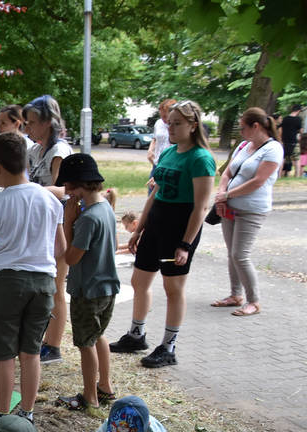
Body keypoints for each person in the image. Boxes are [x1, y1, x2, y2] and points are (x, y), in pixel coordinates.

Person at [0, 133, 66, 432]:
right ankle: (27, 415)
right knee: (31, 352)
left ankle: (1, 418)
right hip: (44, 282)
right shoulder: (50, 198)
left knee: (4, 354)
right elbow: (60, 248)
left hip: (9, 282)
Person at [110, 100, 217, 368]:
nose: (171, 128)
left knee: (173, 288)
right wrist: (140, 229)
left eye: (177, 123)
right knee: (139, 281)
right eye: (169, 123)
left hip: (179, 228)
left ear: (193, 126)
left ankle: (168, 346)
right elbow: (155, 194)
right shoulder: (168, 153)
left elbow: (201, 206)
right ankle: (136, 335)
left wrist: (185, 244)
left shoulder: (201, 158)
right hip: (156, 225)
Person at [53, 154, 119, 411]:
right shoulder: (105, 209)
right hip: (107, 288)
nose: (66, 192)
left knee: (85, 343)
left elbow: (70, 257)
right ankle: (105, 385)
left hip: (87, 290)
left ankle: (90, 396)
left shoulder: (88, 219)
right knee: (98, 335)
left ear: (78, 184)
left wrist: (68, 221)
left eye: (68, 187)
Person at [210, 107, 283, 318]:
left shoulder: (273, 149)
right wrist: (222, 195)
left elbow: (258, 181)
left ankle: (254, 301)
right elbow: (228, 172)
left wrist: (226, 196)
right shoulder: (244, 145)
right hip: (230, 206)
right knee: (231, 253)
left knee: (240, 255)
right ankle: (235, 295)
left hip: (252, 210)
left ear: (256, 126)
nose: (240, 132)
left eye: (242, 128)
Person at [22, 95, 73, 364]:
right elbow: (14, 167)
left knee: (56, 286)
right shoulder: (35, 150)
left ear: (47, 122)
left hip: (59, 226)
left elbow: (65, 190)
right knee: (42, 286)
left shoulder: (59, 152)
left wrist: (33, 190)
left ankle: (53, 346)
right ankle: (43, 337)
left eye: (31, 123)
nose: (27, 128)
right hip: (40, 225)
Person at [146, 98, 178, 193]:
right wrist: (150, 150)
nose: (163, 118)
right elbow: (155, 138)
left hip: (170, 165)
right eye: (161, 114)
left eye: (165, 115)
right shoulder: (158, 123)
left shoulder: (176, 126)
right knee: (151, 192)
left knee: (162, 194)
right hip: (157, 164)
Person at [279, 104, 303, 177]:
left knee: (282, 158)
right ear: (298, 110)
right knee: (297, 159)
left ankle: (279, 175)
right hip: (294, 141)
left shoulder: (285, 118)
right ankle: (297, 175)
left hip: (285, 141)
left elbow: (281, 129)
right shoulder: (298, 119)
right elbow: (301, 130)